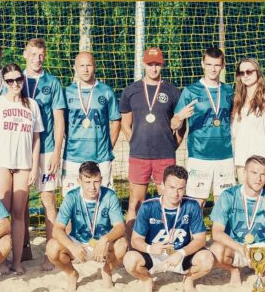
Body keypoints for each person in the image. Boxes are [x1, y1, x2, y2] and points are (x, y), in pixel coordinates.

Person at [0, 63, 43, 274]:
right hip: (1, 164)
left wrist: (35, 168)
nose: (15, 83)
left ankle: (17, 261)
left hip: (23, 165)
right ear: (4, 82)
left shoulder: (32, 105)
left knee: (18, 214)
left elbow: (36, 140)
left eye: (18, 79)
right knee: (1, 215)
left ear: (23, 79)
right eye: (10, 80)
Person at [119, 47, 183, 238]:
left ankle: (169, 242)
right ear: (143, 64)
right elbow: (125, 124)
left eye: (157, 65)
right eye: (150, 64)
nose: (154, 68)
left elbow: (181, 126)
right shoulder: (131, 91)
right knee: (136, 203)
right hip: (139, 157)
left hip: (165, 157)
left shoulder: (172, 91)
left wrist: (172, 145)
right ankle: (132, 246)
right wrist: (136, 143)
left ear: (162, 65)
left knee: (169, 201)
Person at [123, 165, 213, 292]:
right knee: (129, 260)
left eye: (181, 189)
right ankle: (147, 280)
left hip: (180, 254)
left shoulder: (192, 205)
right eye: (171, 187)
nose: (176, 193)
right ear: (163, 186)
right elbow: (135, 240)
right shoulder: (148, 206)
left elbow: (200, 239)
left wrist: (181, 253)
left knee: (207, 259)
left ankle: (188, 279)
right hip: (154, 254)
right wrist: (150, 248)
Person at [210, 155, 265, 285]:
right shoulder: (229, 195)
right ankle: (233, 270)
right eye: (254, 172)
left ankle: (263, 271)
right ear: (244, 173)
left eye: (263, 174)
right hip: (236, 246)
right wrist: (241, 248)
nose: (258, 178)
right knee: (216, 251)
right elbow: (216, 233)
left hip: (262, 247)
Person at [46, 161, 127, 291]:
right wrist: (72, 246)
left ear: (101, 180)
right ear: (80, 181)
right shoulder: (71, 196)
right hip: (78, 244)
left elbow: (121, 227)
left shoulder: (110, 196)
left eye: (96, 181)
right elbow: (57, 229)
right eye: (88, 182)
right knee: (52, 247)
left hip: (102, 244)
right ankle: (72, 274)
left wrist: (105, 239)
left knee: (122, 244)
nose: (92, 187)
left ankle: (107, 270)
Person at [21, 38, 66, 270]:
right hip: (20, 150)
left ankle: (50, 252)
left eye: (41, 55)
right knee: (21, 201)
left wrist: (57, 151)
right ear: (24, 54)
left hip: (47, 149)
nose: (37, 59)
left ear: (45, 56)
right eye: (33, 54)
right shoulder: (15, 80)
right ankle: (23, 250)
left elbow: (59, 119)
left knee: (48, 199)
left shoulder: (53, 82)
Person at [171, 47, 235, 206]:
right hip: (199, 155)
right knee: (197, 202)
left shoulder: (229, 90)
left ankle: (219, 231)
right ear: (202, 64)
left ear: (223, 66)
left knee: (224, 203)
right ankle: (195, 232)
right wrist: (180, 116)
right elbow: (173, 123)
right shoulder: (190, 91)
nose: (213, 69)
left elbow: (234, 118)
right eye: (209, 64)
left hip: (225, 155)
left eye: (217, 65)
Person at [61, 52, 121, 195]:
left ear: (95, 66)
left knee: (102, 198)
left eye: (89, 65)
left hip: (101, 157)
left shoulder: (105, 91)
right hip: (73, 157)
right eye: (82, 65)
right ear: (75, 68)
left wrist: (108, 146)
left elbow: (116, 120)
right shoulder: (67, 92)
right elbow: (60, 122)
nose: (85, 69)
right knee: (71, 199)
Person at [231, 58, 265, 182]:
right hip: (242, 160)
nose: (245, 75)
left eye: (249, 71)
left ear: (257, 72)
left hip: (260, 159)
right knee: (244, 195)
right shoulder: (237, 98)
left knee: (261, 197)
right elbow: (235, 133)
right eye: (242, 73)